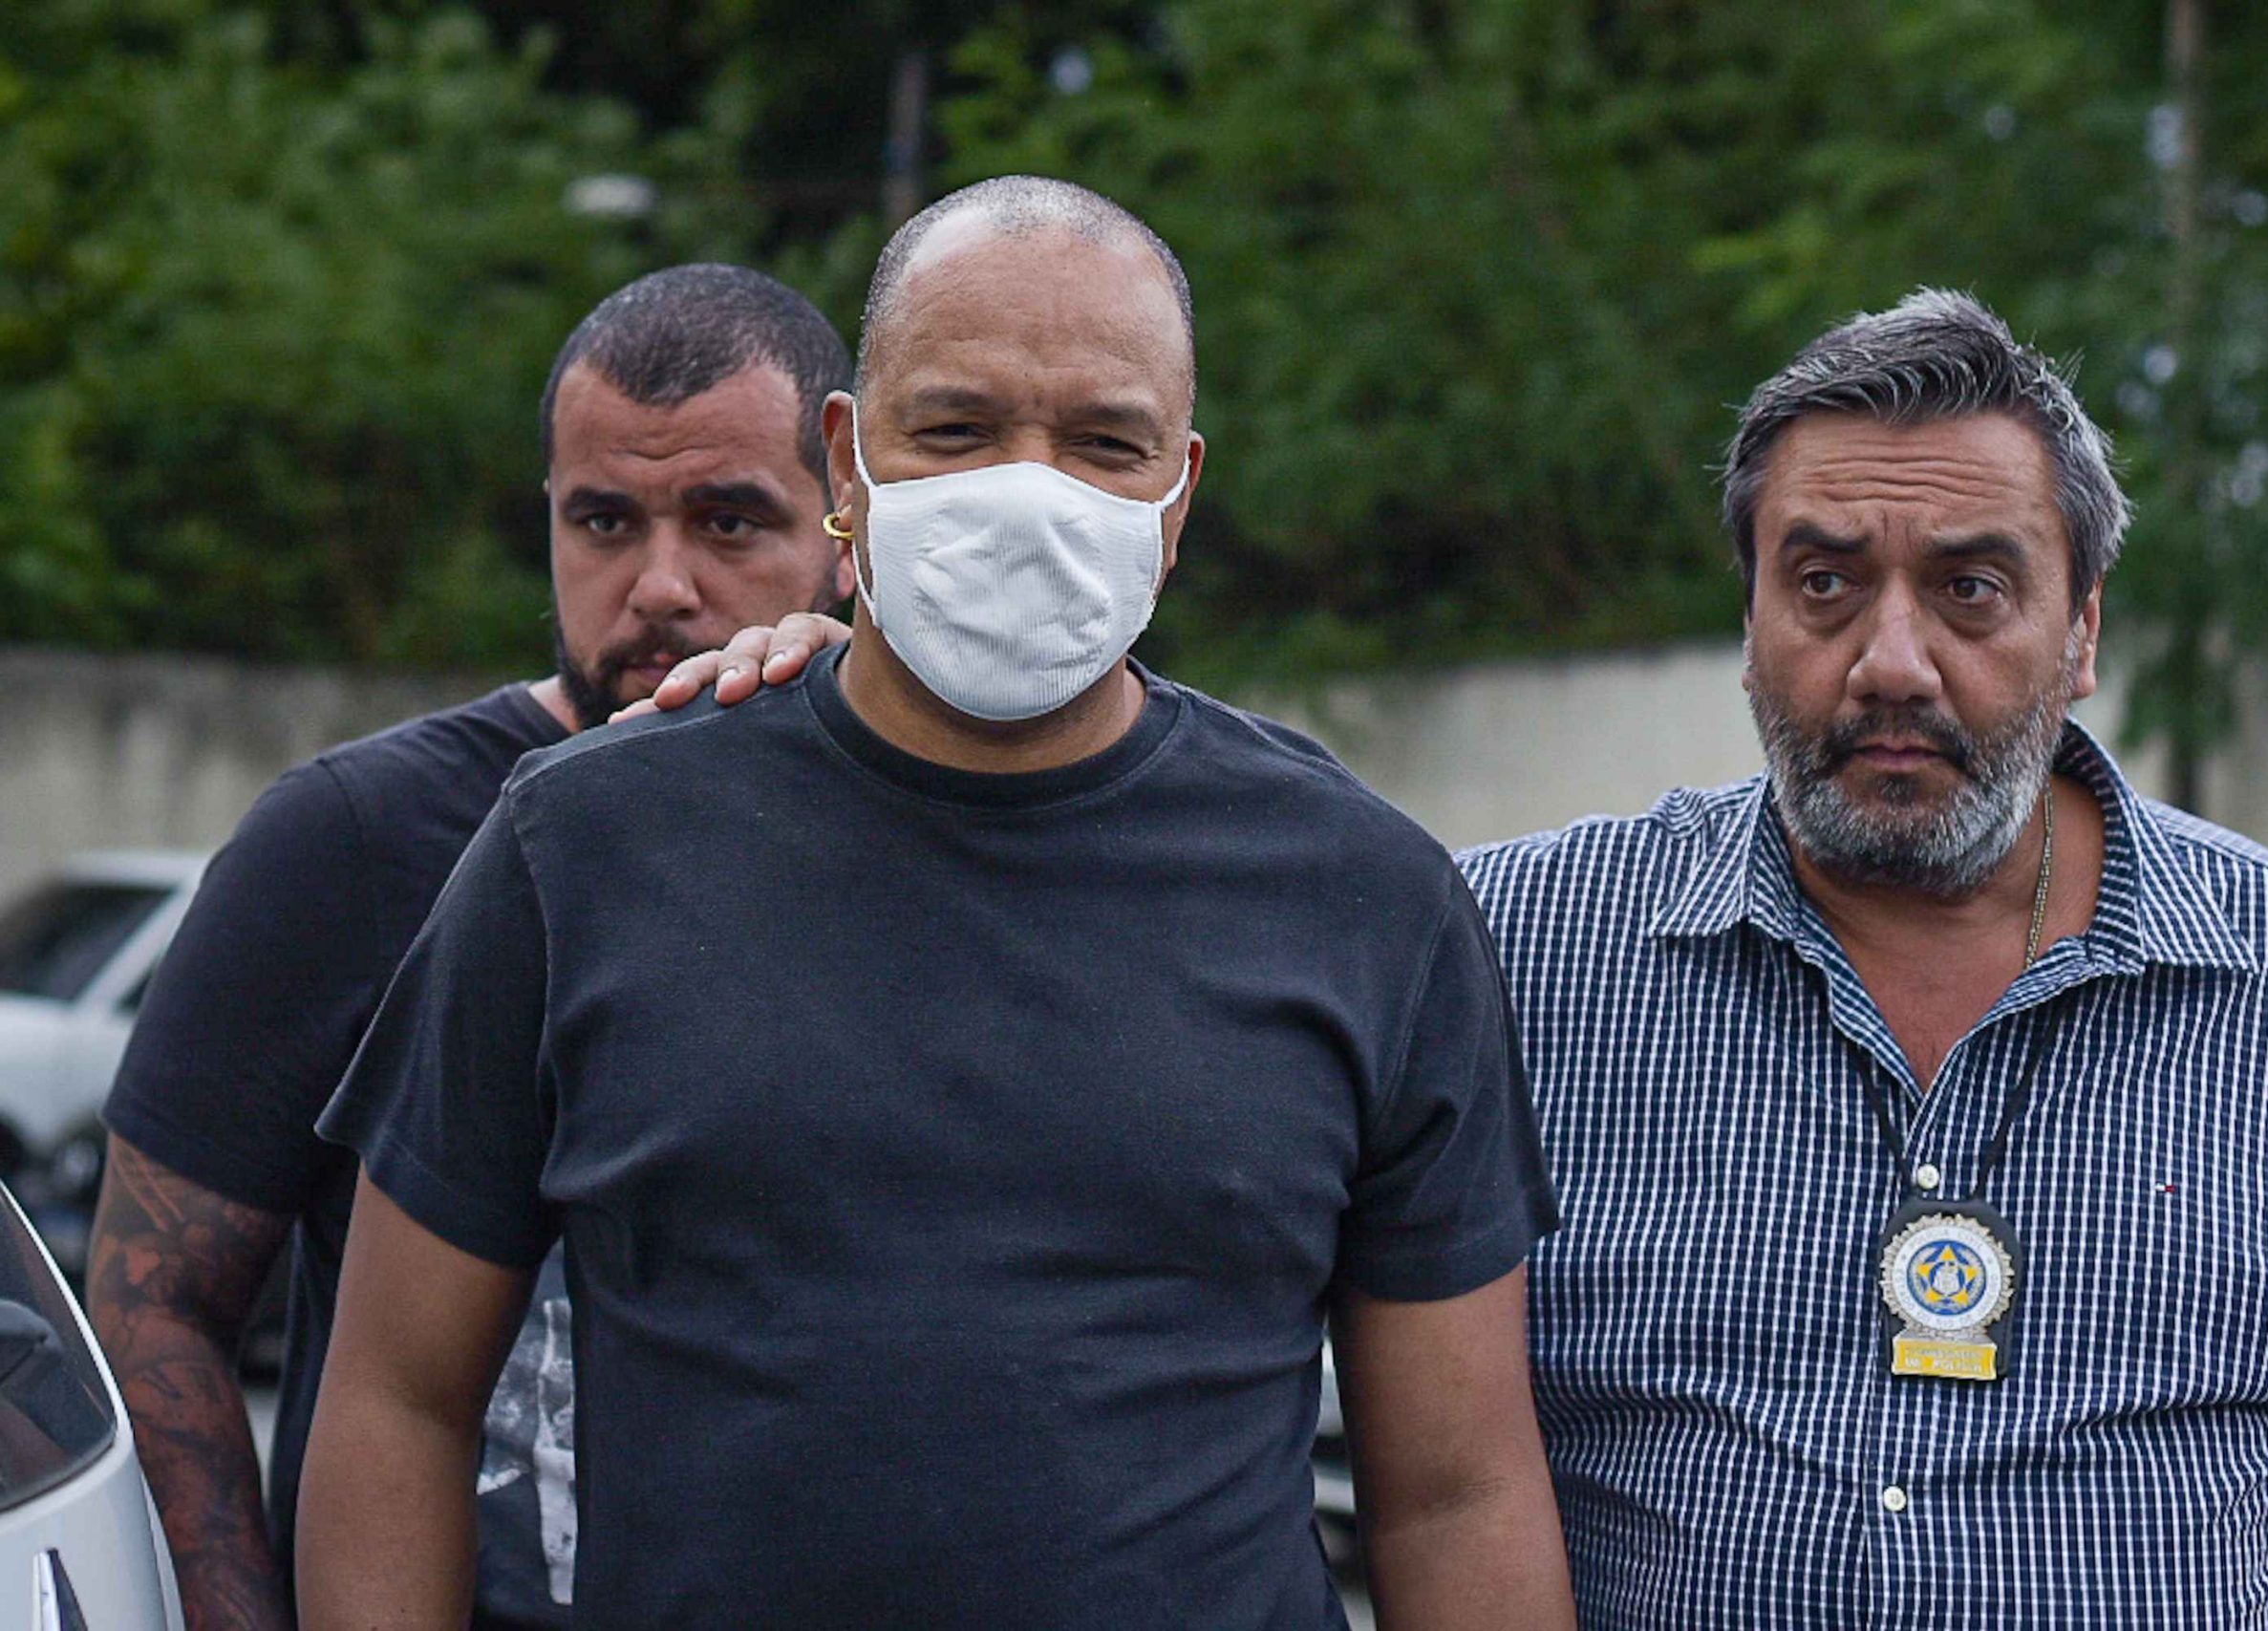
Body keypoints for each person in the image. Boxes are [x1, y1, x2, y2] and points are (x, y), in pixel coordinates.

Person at [660, 287, 2268, 1626]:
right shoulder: (1502, 952)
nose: (1891, 659)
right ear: (1746, 615)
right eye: (1823, 581)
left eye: (1974, 588)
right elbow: (1137, 910)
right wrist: (867, 711)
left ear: (2084, 626)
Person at [298, 176, 1573, 1629]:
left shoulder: (1367, 896)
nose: (1030, 492)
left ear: (1179, 499)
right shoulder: (582, 845)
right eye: (956, 428)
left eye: (1105, 442)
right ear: (848, 461)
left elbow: (1454, 1489)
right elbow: (398, 1402)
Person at [89, 263, 859, 1631]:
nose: (661, 584)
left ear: (846, 531)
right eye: (603, 521)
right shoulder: (356, 838)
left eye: (732, 520)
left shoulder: (914, 834)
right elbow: (157, 1309)